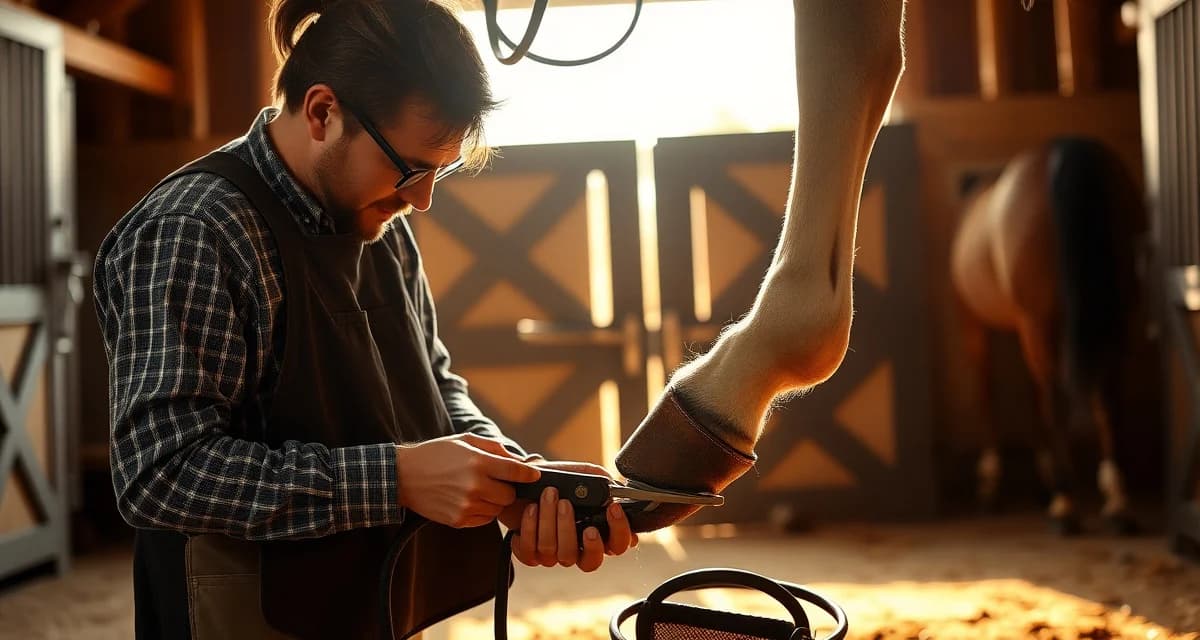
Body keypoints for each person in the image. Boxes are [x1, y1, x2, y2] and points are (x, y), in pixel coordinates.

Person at [92, 1, 636, 637]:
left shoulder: (380, 217)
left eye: (439, 172)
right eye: (411, 168)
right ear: (323, 112)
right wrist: (395, 479)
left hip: (379, 597)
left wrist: (515, 478)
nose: (422, 199)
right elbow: (158, 473)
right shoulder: (193, 231)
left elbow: (431, 381)